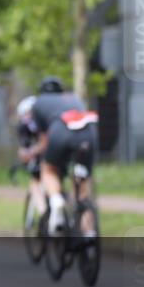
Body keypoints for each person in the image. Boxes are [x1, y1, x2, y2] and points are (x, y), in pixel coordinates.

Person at [20, 77, 99, 236]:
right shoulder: (73, 98)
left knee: (48, 170)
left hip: (60, 132)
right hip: (89, 134)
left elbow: (44, 141)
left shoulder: (39, 103)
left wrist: (30, 153)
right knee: (82, 188)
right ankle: (89, 234)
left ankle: (56, 201)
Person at [14, 95, 45, 223]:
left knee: (34, 183)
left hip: (46, 157)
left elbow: (28, 150)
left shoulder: (32, 125)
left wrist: (30, 152)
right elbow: (24, 148)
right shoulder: (25, 126)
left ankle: (44, 213)